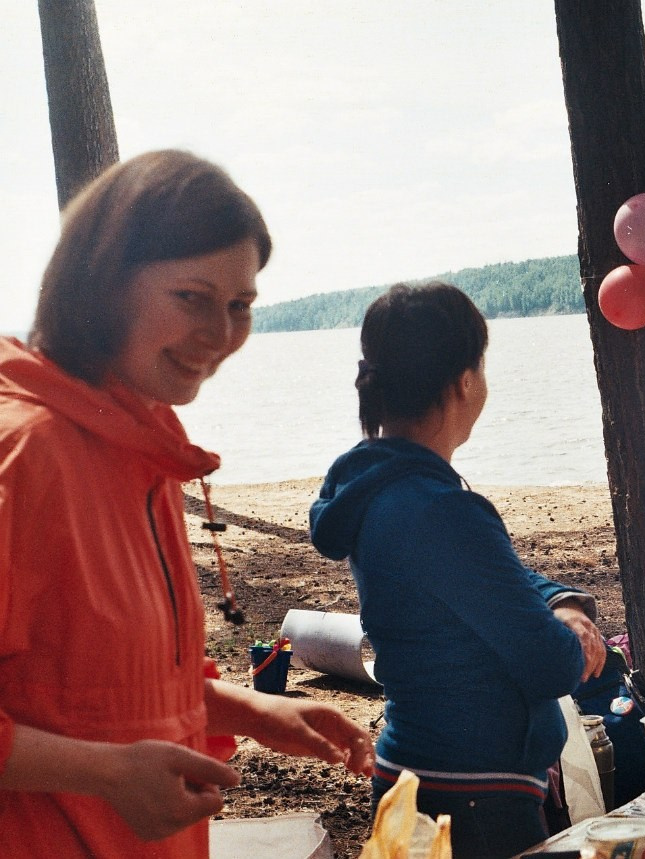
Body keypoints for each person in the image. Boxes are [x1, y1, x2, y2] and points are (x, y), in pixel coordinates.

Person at [0, 150, 375, 857]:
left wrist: (256, 709)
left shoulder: (142, 447)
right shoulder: (26, 451)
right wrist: (105, 775)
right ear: (102, 282)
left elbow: (109, 687)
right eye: (191, 298)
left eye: (239, 306)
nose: (221, 334)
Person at [309, 281, 607, 858]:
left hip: (419, 775)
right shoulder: (439, 509)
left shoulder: (383, 487)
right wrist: (569, 635)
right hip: (471, 803)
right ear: (464, 382)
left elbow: (495, 583)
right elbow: (548, 665)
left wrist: (560, 601)